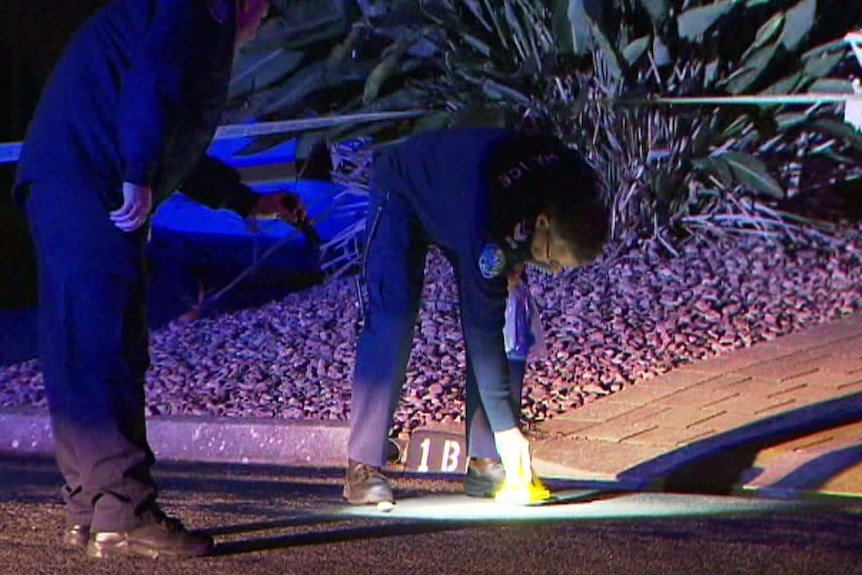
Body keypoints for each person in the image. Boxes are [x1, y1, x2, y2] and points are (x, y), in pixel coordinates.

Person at [12, 0, 306, 559]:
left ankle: (92, 508)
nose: (261, 23)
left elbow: (169, 123)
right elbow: (155, 84)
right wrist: (137, 174)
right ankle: (123, 513)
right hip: (89, 180)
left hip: (64, 176)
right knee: (107, 346)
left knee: (78, 344)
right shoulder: (197, 11)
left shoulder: (171, 15)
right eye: (263, 12)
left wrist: (247, 201)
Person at [344, 127, 609, 504]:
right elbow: (480, 326)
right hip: (406, 185)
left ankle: (486, 459)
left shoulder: (573, 185)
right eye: (551, 259)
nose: (551, 270)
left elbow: (499, 316)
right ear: (544, 222)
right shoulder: (492, 218)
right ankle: (362, 467)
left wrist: (520, 262)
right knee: (393, 316)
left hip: (470, 195)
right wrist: (508, 429)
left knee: (512, 321)